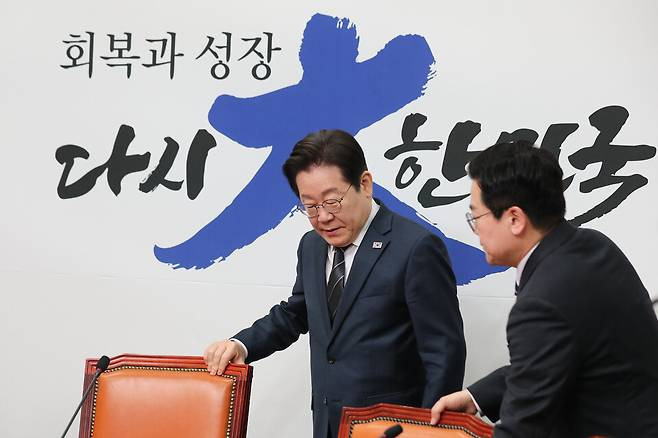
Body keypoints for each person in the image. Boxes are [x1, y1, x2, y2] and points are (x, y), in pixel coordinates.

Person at [203, 129, 466, 438]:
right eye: (310, 206)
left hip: (391, 429)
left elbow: (444, 353)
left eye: (332, 201)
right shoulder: (311, 246)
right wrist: (241, 345)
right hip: (327, 424)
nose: (323, 217)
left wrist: (426, 431)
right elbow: (296, 313)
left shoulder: (415, 247)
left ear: (364, 184)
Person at [430, 140, 658, 437]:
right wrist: (476, 396)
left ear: (515, 219)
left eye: (476, 217)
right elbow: (556, 359)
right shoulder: (592, 245)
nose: (476, 230)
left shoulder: (542, 303)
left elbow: (524, 429)